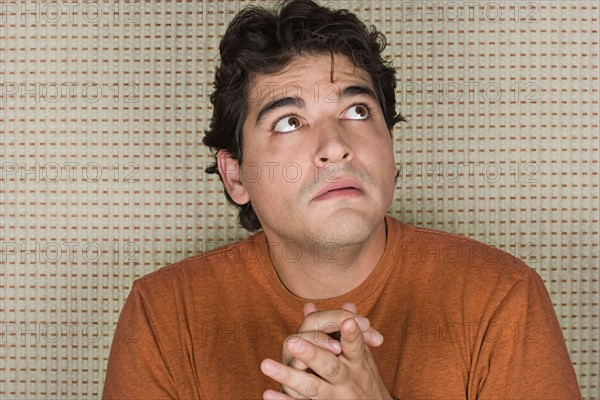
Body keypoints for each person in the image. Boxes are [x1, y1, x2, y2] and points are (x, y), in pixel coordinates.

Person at [102, 0, 582, 399]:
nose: (335, 146)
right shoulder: (163, 315)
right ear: (236, 175)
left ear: (390, 149)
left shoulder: (503, 296)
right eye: (289, 120)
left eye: (357, 110)